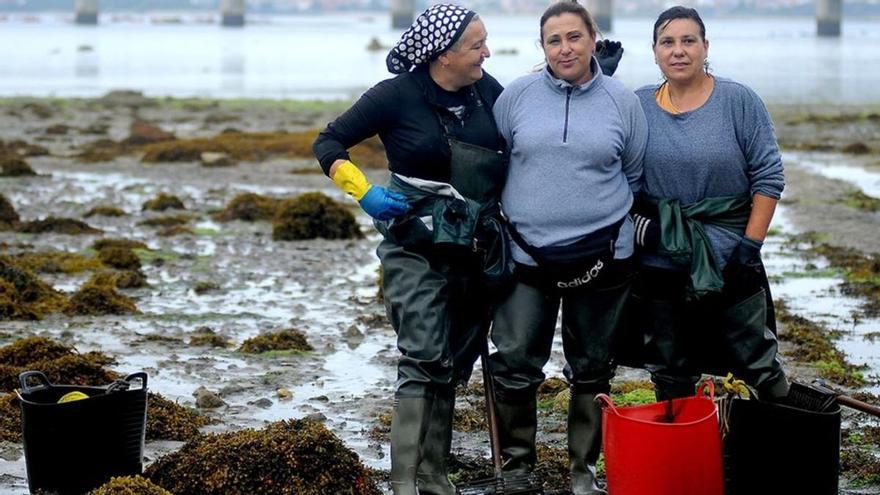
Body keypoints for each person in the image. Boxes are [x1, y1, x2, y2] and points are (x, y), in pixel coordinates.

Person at [312, 5, 506, 494]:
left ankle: (435, 477)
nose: (487, 52)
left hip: (474, 249)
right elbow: (328, 141)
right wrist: (365, 192)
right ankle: (403, 484)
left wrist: (589, 82)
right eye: (476, 44)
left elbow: (532, 134)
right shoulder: (395, 95)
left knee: (451, 366)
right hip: (413, 245)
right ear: (443, 54)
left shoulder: (488, 92)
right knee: (422, 357)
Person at [487, 2, 646, 494]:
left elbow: (634, 173)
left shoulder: (623, 101)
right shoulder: (514, 97)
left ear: (593, 38)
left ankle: (583, 471)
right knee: (514, 360)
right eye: (554, 40)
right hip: (526, 257)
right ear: (542, 48)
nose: (565, 48)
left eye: (574, 37)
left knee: (593, 366)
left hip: (604, 258)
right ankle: (516, 470)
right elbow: (499, 164)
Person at [628, 5, 789, 403]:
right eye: (668, 42)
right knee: (669, 371)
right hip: (660, 260)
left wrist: (750, 249)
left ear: (705, 47)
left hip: (730, 260)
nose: (678, 51)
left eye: (688, 41)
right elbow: (606, 161)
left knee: (758, 364)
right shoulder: (638, 105)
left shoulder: (738, 101)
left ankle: (780, 449)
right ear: (654, 51)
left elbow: (768, 178)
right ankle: (680, 456)